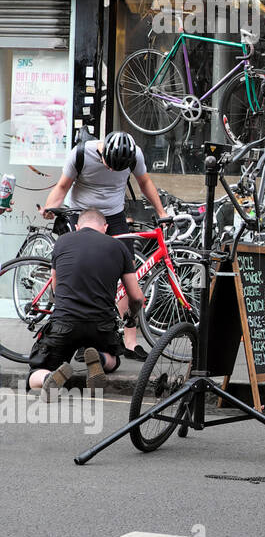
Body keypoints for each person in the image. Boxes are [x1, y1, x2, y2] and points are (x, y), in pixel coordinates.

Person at [42, 131, 168, 359]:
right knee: (81, 272)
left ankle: (129, 342)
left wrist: (161, 212)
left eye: (117, 169)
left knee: (129, 272)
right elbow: (62, 186)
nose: (111, 171)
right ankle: (80, 339)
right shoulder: (80, 154)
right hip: (82, 216)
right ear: (102, 152)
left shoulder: (135, 154)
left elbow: (145, 182)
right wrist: (51, 208)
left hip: (114, 216)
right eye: (108, 165)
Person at [28, 209, 145, 399]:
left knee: (35, 372)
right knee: (114, 360)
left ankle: (49, 377)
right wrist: (131, 318)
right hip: (101, 325)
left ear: (76, 226)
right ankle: (98, 359)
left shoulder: (62, 242)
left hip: (64, 324)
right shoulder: (119, 247)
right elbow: (137, 297)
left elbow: (56, 287)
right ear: (106, 228)